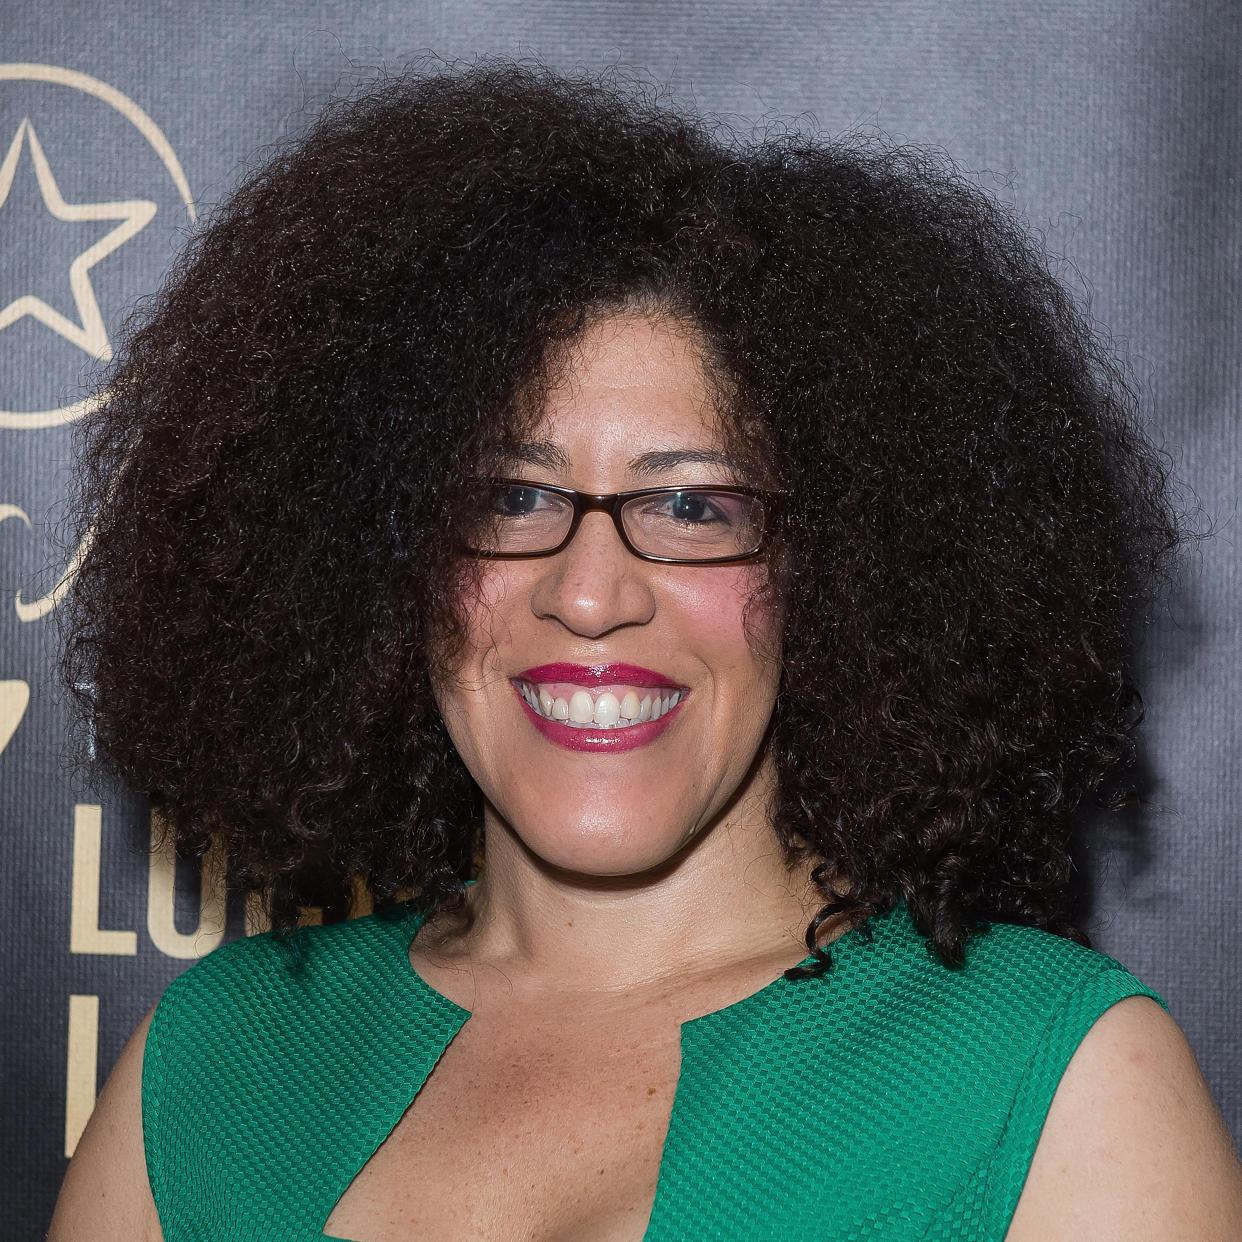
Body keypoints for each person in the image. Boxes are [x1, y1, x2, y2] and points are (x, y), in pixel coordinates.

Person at [48, 59, 1242, 1242]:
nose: (589, 593)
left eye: (694, 508)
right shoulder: (210, 1069)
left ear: (847, 571)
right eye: (511, 499)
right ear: (377, 556)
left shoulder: (1054, 1084)